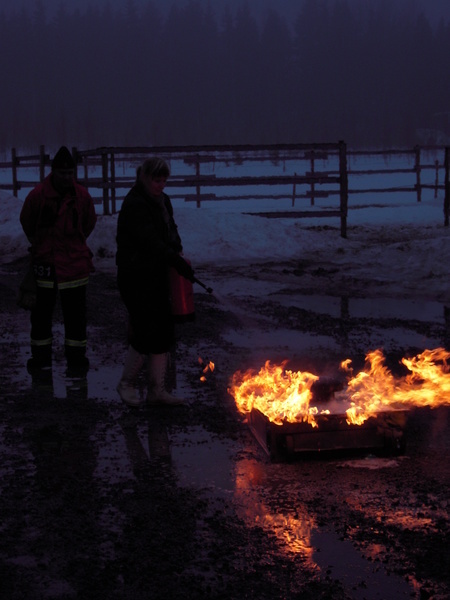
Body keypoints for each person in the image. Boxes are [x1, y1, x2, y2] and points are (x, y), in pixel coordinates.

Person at [116, 157, 195, 407]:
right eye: (156, 180)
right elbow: (149, 241)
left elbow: (171, 230)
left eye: (164, 181)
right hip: (135, 275)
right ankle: (126, 384)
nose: (160, 185)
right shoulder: (135, 204)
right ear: (145, 177)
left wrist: (177, 251)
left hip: (158, 274)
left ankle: (157, 390)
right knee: (144, 329)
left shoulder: (163, 201)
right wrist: (173, 259)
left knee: (163, 331)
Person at [20, 145, 97, 374]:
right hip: (46, 265)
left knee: (76, 317)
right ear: (53, 172)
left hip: (75, 267)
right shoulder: (38, 196)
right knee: (41, 316)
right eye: (62, 173)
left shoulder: (81, 196)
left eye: (70, 173)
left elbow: (89, 222)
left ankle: (76, 359)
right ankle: (40, 358)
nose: (66, 177)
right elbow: (27, 222)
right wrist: (43, 245)